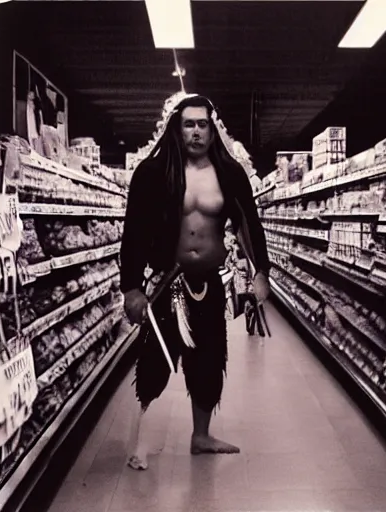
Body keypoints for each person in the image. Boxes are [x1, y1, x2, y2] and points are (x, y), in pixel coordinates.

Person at [120, 92, 271, 469]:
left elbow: (248, 224)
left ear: (213, 128)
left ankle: (201, 436)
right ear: (177, 127)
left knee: (208, 359)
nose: (197, 132)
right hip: (166, 281)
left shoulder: (230, 172)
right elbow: (134, 232)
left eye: (203, 124)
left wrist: (260, 271)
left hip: (210, 281)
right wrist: (131, 287)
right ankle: (142, 443)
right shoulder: (153, 172)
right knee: (154, 360)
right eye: (189, 124)